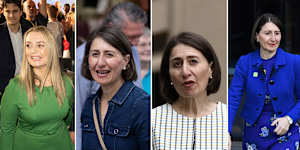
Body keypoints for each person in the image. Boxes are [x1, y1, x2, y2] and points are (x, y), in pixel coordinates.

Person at [76, 2, 147, 150]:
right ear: (110, 27)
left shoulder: (141, 104)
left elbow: (136, 92)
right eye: (130, 36)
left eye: (137, 37)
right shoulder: (90, 104)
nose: (134, 43)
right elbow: (78, 119)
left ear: (125, 61)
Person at [229, 13, 300, 150]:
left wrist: (289, 119)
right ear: (257, 36)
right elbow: (233, 98)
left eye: (277, 33)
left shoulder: (295, 62)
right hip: (253, 133)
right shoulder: (245, 62)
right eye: (267, 33)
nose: (273, 38)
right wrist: (226, 131)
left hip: (285, 131)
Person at [0, 26, 74, 150]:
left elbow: (68, 117)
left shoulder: (66, 83)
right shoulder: (15, 87)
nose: (32, 51)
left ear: (51, 49)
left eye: (39, 45)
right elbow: (6, 130)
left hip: (62, 144)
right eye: (28, 45)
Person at [152, 32, 227, 149]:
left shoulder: (227, 117)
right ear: (169, 75)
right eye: (177, 64)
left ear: (210, 69)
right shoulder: (153, 120)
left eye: (193, 61)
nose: (185, 72)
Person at [0, 0, 32, 99]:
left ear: (21, 12)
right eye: (7, 11)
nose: (11, 15)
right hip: (5, 89)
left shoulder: (29, 29)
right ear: (3, 12)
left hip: (28, 85)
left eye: (15, 11)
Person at [136, 27, 151, 94]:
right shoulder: (125, 74)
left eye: (150, 44)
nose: (148, 48)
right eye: (143, 45)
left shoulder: (157, 75)